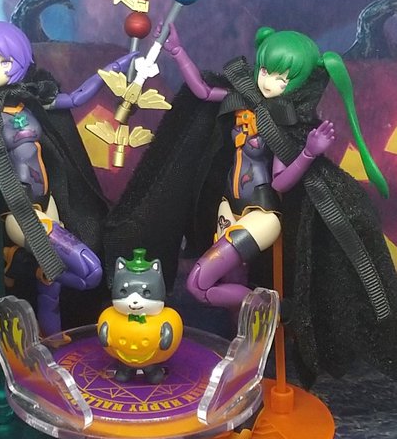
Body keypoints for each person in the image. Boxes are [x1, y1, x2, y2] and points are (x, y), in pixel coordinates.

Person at [161, 23, 397, 385]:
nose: (269, 82)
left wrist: (308, 152)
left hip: (260, 216)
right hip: (229, 210)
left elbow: (281, 183)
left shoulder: (283, 125)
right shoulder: (244, 101)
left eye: (282, 79)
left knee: (199, 285)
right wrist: (178, 51)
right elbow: (204, 91)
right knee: (233, 292)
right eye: (265, 71)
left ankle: (279, 310)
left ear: (298, 84)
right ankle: (245, 358)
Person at [0, 21, 133, 416]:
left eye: (3, 61)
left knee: (51, 287)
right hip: (20, 213)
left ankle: (51, 349)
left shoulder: (32, 102)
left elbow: (74, 98)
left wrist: (111, 71)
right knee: (90, 271)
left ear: (20, 61)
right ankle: (34, 290)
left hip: (47, 205)